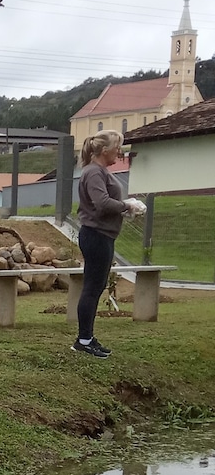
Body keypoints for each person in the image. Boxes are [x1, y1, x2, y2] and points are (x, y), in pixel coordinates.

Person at [74, 132, 145, 358]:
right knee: (92, 288)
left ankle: (87, 337)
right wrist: (127, 205)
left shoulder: (98, 172)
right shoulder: (94, 172)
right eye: (117, 148)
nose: (119, 152)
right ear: (105, 151)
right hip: (96, 236)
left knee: (96, 286)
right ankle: (83, 340)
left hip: (102, 235)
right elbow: (102, 203)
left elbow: (103, 205)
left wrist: (125, 210)